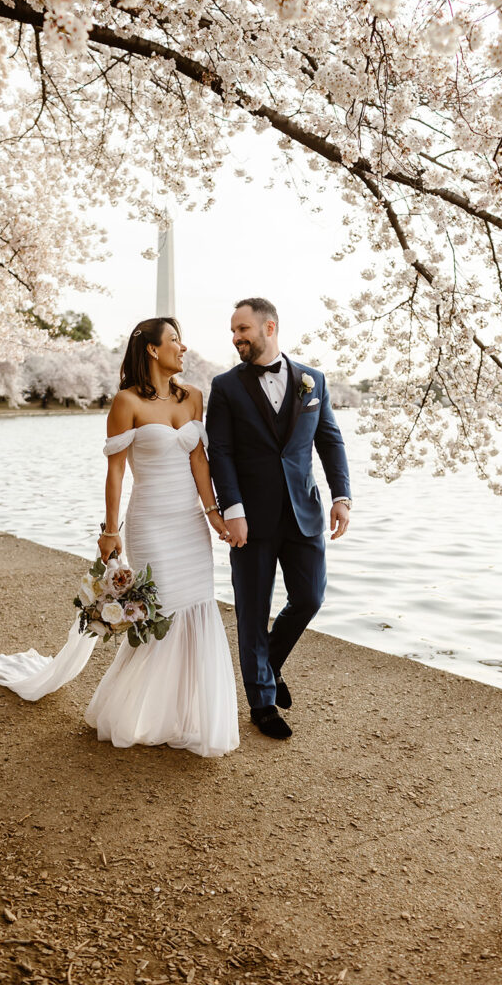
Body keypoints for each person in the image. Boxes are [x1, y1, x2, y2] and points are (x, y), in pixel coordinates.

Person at [0, 317, 240, 759]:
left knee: (197, 609)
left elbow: (200, 463)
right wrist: (110, 531)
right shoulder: (126, 402)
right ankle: (133, 713)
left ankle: (189, 716)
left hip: (189, 523)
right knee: (161, 612)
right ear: (152, 349)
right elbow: (115, 473)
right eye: (175, 340)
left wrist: (213, 515)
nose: (183, 348)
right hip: (150, 520)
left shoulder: (194, 398)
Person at [206, 298, 351, 740]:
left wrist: (342, 496)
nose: (236, 338)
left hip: (304, 511)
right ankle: (262, 704)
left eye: (243, 329)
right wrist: (233, 511)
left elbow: (329, 440)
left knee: (310, 597)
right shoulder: (226, 387)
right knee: (253, 610)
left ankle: (266, 663)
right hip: (249, 519)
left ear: (270, 327)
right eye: (233, 331)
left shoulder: (313, 380)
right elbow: (222, 452)